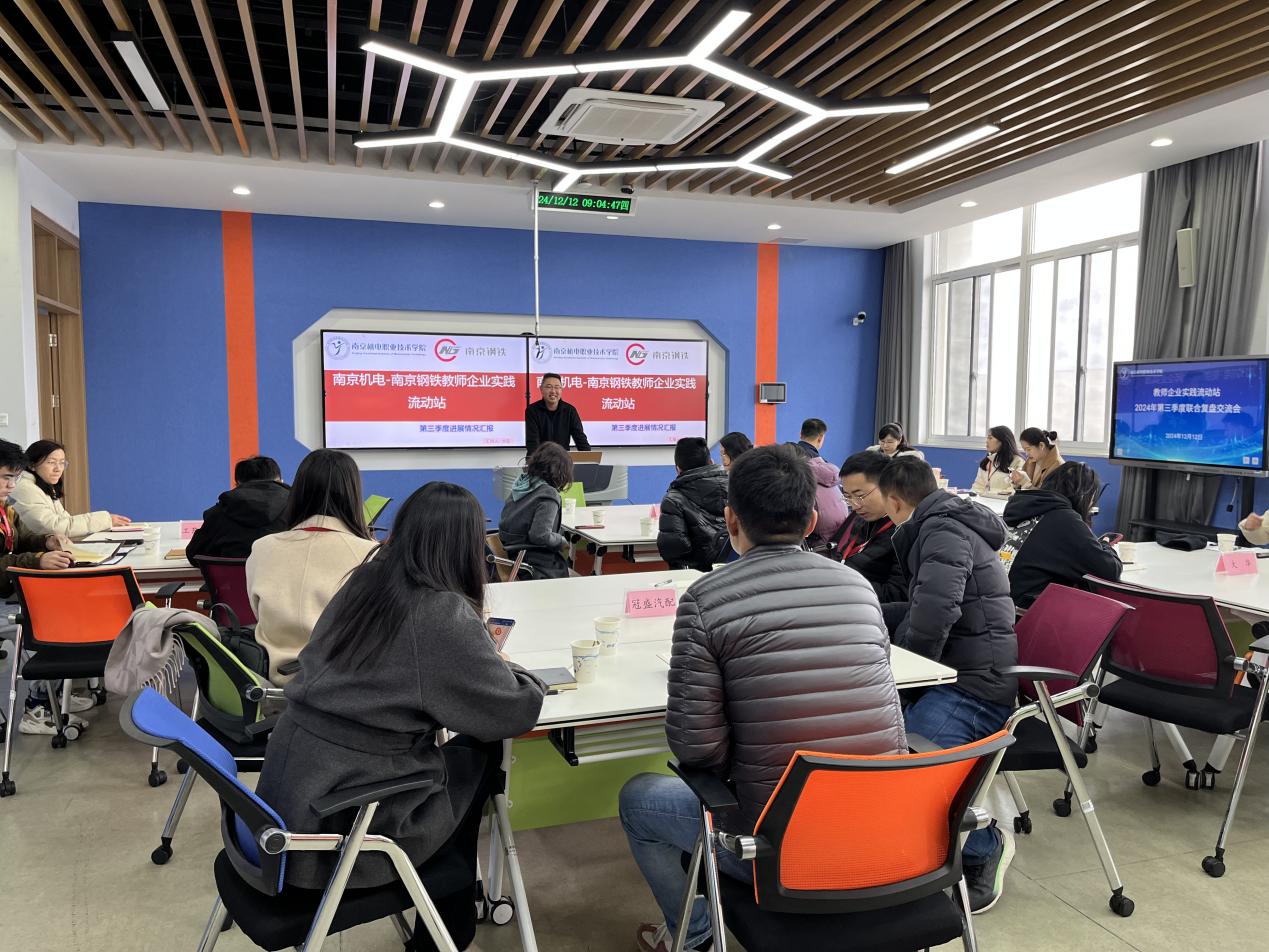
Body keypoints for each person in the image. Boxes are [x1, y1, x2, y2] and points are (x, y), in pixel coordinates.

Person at [619, 444, 906, 952]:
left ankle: (695, 935)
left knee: (638, 798)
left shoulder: (705, 600)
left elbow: (696, 751)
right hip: (883, 832)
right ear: (812, 520)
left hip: (775, 847)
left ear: (731, 520)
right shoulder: (860, 588)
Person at [254, 481, 545, 947]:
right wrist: (515, 669)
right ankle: (446, 928)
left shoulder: (364, 582)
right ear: (466, 547)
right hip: (343, 826)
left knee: (461, 763)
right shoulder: (439, 611)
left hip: (292, 795)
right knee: (480, 754)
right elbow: (514, 709)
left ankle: (451, 916)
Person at [878, 456, 1018, 914]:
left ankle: (984, 844)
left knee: (910, 772)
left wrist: (907, 674)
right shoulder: (940, 523)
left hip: (974, 687)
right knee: (875, 753)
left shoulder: (941, 531)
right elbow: (922, 607)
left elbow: (935, 614)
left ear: (894, 502)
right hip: (960, 669)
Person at [246, 449, 380, 682]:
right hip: (344, 686)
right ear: (353, 494)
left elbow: (259, 613)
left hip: (272, 683)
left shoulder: (262, 548)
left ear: (298, 491)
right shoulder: (371, 553)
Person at [0, 440, 79, 737]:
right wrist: (37, 560)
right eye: (6, 477)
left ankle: (56, 696)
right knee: (43, 624)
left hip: (7, 593)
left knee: (61, 610)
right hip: (4, 601)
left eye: (15, 477)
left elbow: (21, 539)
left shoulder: (5, 510)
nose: (12, 485)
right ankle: (38, 707)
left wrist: (45, 542)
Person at [999, 461, 1121, 608]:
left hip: (997, 607)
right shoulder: (1064, 519)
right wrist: (1106, 545)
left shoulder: (1021, 507)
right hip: (1027, 614)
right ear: (1084, 496)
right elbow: (1110, 571)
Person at [9, 440, 130, 540]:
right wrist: (104, 520)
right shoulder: (25, 488)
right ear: (31, 465)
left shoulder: (43, 485)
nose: (58, 469)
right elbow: (55, 527)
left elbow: (65, 521)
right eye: (51, 462)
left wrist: (105, 521)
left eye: (62, 463)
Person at [828, 451, 907, 602]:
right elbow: (843, 555)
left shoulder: (906, 531)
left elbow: (897, 595)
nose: (855, 506)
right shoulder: (863, 517)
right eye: (848, 497)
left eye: (860, 496)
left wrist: (845, 586)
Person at [185, 456, 290, 561]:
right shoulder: (297, 509)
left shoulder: (219, 513)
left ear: (237, 484)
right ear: (280, 481)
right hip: (285, 571)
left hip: (235, 572)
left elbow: (195, 555)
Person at [498, 442, 573, 579]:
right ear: (561, 471)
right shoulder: (548, 493)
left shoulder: (521, 484)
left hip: (510, 555)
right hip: (533, 562)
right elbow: (540, 536)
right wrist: (560, 540)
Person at [656, 437, 728, 572]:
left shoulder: (673, 500)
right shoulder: (736, 485)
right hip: (739, 569)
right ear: (711, 462)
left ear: (678, 469)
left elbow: (673, 549)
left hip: (699, 575)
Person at [525, 372, 590, 455]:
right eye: (549, 387)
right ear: (541, 389)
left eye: (557, 387)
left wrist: (589, 459)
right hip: (540, 459)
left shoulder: (570, 411)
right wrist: (536, 460)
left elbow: (580, 438)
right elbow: (532, 442)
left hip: (562, 459)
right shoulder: (532, 410)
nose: (553, 391)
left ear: (561, 390)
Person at [972, 426, 1029, 495]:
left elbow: (1014, 489)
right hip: (983, 499)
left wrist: (991, 494)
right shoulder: (987, 461)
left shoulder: (1017, 461)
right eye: (987, 438)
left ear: (1002, 441)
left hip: (1003, 500)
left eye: (990, 438)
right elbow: (977, 486)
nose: (987, 441)